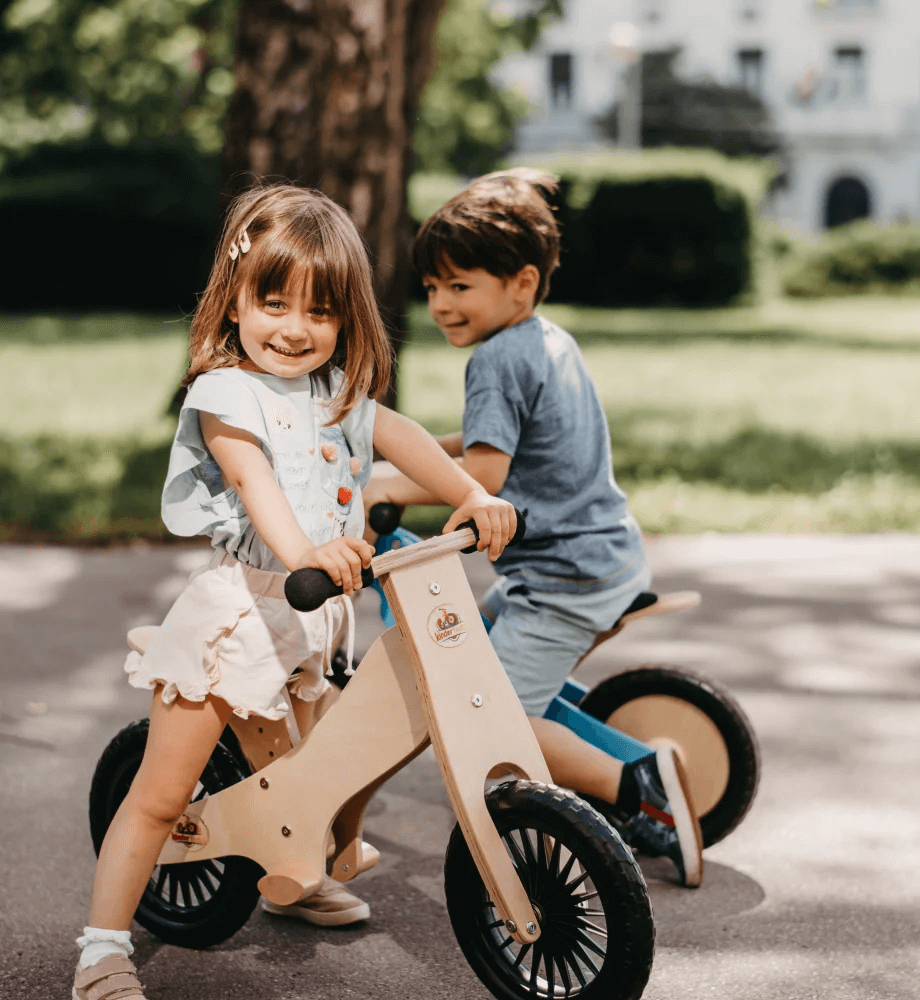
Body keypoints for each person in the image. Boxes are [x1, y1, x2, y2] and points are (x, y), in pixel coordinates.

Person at [72, 184, 518, 1000]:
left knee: (309, 768)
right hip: (240, 611)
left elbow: (402, 435)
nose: (293, 328)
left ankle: (295, 869)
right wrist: (308, 549)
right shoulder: (224, 395)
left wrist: (469, 493)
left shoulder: (334, 391)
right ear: (233, 301)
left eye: (319, 311)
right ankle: (101, 948)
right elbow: (254, 483)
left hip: (314, 616)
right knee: (163, 793)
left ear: (346, 320)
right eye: (272, 302)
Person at [365, 169, 703, 890]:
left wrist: (392, 486)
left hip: (561, 583)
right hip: (606, 558)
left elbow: (485, 478)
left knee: (493, 718)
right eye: (432, 288)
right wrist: (429, 450)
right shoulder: (545, 340)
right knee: (476, 660)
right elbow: (496, 441)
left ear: (519, 283)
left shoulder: (494, 359)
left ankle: (640, 787)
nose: (440, 305)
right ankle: (618, 757)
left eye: (460, 287)